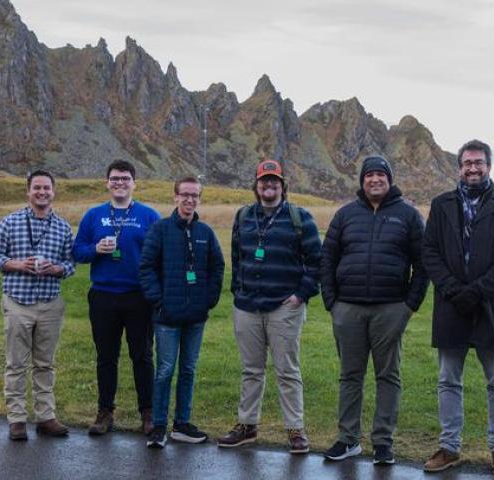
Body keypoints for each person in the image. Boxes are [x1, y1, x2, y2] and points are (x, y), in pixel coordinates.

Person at [421, 140, 494, 478]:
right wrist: (453, 289)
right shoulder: (441, 205)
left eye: (478, 162)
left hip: (490, 306)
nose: (473, 168)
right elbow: (430, 253)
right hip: (451, 305)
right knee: (448, 379)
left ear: (489, 166)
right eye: (467, 163)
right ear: (459, 167)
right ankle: (449, 447)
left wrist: (477, 291)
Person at [320, 156, 429, 465]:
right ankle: (348, 439)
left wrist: (409, 306)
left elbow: (423, 264)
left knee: (388, 376)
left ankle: (383, 442)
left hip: (391, 309)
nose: (375, 180)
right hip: (348, 309)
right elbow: (327, 259)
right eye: (369, 175)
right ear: (362, 180)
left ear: (389, 179)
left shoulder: (408, 215)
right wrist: (332, 302)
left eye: (380, 174)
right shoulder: (345, 215)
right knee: (350, 376)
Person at [216, 159, 322, 454]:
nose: (269, 185)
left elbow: (317, 263)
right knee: (251, 370)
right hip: (248, 306)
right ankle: (247, 426)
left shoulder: (301, 218)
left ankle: (295, 430)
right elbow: (237, 257)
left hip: (284, 307)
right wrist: (238, 290)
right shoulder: (243, 216)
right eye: (264, 181)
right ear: (257, 185)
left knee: (287, 370)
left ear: (282, 186)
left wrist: (300, 295)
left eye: (274, 181)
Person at [73, 160, 161, 436]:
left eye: (125, 178)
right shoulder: (93, 215)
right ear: (106, 182)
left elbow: (160, 255)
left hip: (138, 297)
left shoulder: (149, 216)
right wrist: (95, 249)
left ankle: (148, 413)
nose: (119, 183)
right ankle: (105, 412)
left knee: (143, 357)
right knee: (106, 357)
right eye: (114, 178)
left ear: (134, 183)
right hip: (103, 296)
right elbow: (78, 252)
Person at [0, 170, 75, 441]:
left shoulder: (62, 227)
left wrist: (56, 268)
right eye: (37, 188)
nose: (42, 192)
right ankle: (16, 419)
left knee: (45, 364)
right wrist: (18, 264)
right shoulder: (9, 222)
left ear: (53, 191)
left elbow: (71, 264)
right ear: (28, 191)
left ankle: (46, 417)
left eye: (46, 188)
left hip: (50, 302)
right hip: (17, 300)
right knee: (16, 363)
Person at [139, 176, 225, 448]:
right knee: (165, 370)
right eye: (185, 194)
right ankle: (159, 426)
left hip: (195, 317)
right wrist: (158, 300)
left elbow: (217, 266)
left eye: (195, 195)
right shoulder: (160, 230)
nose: (190, 200)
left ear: (199, 198)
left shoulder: (205, 233)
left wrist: (208, 299)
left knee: (188, 369)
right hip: (167, 317)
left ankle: (182, 423)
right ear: (175, 197)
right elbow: (147, 267)